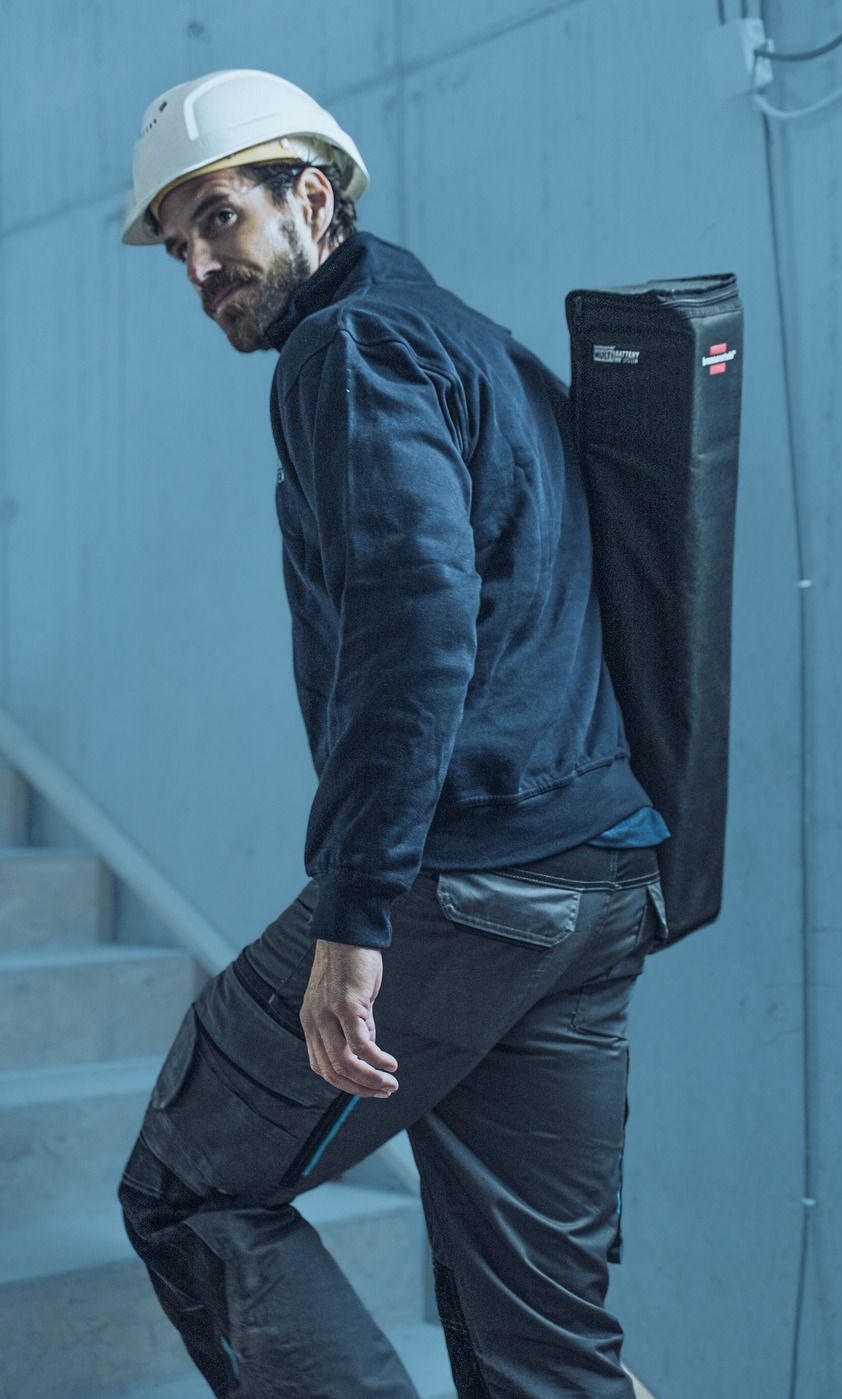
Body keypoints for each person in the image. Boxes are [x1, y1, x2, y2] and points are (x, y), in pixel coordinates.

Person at [118, 69, 670, 1399]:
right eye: (177, 244)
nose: (199, 265)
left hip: (461, 888)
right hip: (595, 887)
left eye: (218, 217)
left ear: (312, 199)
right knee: (542, 1346)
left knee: (189, 1188)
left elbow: (412, 628)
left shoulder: (351, 350)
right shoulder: (469, 340)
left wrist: (354, 917)